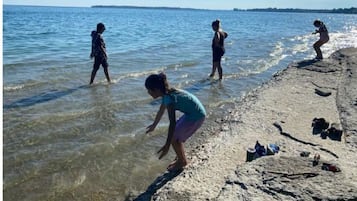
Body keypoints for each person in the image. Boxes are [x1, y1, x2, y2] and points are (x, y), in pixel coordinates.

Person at [145, 73, 206, 171]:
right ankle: (180, 158)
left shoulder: (170, 99)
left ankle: (182, 162)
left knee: (174, 138)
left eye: (149, 90)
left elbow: (172, 123)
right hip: (193, 113)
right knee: (175, 136)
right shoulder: (167, 93)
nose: (148, 93)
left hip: (196, 116)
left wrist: (167, 145)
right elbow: (161, 110)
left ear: (156, 90)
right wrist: (154, 125)